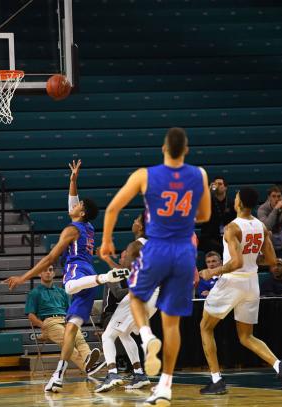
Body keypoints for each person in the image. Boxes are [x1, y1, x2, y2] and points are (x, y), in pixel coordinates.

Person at [100, 127, 211, 405]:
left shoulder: (145, 175)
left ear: (164, 148)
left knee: (136, 298)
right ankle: (165, 386)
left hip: (159, 248)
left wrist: (105, 242)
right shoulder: (199, 175)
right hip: (185, 251)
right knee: (171, 324)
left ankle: (147, 337)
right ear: (185, 150)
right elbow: (205, 215)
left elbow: (113, 208)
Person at [5, 160, 128, 393]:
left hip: (78, 273)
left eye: (78, 204)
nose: (73, 205)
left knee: (68, 286)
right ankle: (58, 376)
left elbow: (50, 259)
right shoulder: (88, 227)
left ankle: (106, 277)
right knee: (71, 329)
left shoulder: (71, 230)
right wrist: (73, 181)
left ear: (81, 212)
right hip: (88, 278)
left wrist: (23, 277)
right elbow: (74, 205)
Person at [198, 187, 282, 396]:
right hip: (252, 283)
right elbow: (271, 260)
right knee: (246, 336)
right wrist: (253, 260)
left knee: (205, 327)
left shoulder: (232, 228)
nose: (234, 199)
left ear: (239, 202)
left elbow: (236, 262)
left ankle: (216, 380)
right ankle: (279, 366)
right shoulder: (261, 226)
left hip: (232, 283)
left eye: (235, 197)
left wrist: (211, 271)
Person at [96, 212, 155, 393]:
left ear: (141, 227)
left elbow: (124, 272)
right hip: (155, 296)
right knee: (125, 334)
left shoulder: (135, 245)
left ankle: (112, 374)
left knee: (108, 336)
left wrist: (107, 261)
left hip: (139, 295)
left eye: (136, 220)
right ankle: (139, 374)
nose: (133, 222)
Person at [25, 265, 98, 374]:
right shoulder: (34, 293)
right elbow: (31, 315)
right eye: (45, 270)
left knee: (79, 338)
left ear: (54, 273)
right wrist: (42, 325)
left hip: (65, 319)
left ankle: (89, 358)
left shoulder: (62, 292)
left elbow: (69, 309)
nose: (48, 272)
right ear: (39, 274)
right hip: (50, 322)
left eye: (50, 270)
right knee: (68, 343)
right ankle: (86, 368)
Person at [198, 177, 236, 254]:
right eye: (215, 184)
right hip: (209, 236)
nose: (217, 186)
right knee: (214, 246)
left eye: (220, 184)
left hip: (227, 236)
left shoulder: (231, 203)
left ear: (225, 187)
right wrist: (208, 193)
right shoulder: (208, 201)